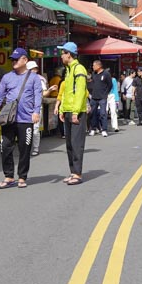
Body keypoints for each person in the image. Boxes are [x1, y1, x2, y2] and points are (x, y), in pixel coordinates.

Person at [0, 48, 45, 188]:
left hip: (26, 119)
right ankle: (8, 176)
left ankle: (22, 177)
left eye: (16, 59)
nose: (13, 62)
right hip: (9, 119)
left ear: (25, 60)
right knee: (5, 147)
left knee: (25, 149)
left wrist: (36, 112)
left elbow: (38, 96)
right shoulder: (7, 77)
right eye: (12, 59)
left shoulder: (34, 78)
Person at [56, 42, 90, 184]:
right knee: (69, 144)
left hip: (77, 112)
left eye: (62, 53)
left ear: (68, 54)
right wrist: (63, 109)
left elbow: (81, 92)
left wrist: (75, 112)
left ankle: (77, 173)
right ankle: (73, 171)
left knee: (76, 144)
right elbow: (66, 92)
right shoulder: (69, 70)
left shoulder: (78, 69)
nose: (61, 56)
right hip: (69, 110)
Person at [87, 59, 113, 137]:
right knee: (92, 113)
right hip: (94, 96)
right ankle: (93, 129)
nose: (93, 67)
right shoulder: (94, 74)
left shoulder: (106, 74)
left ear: (99, 66)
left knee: (103, 113)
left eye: (94, 65)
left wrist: (106, 93)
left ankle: (104, 129)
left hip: (102, 97)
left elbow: (110, 85)